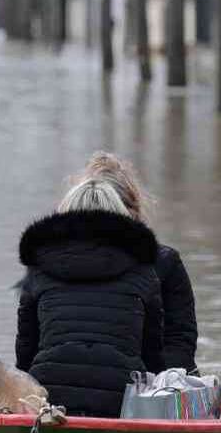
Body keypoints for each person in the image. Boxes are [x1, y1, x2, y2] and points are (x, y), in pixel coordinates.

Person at [15, 177, 164, 417]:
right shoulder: (143, 271)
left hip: (49, 395)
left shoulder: (38, 269)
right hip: (122, 399)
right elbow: (153, 351)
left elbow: (25, 349)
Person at [82, 152, 199, 374]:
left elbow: (180, 342)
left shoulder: (165, 263)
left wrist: (152, 382)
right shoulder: (58, 265)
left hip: (147, 379)